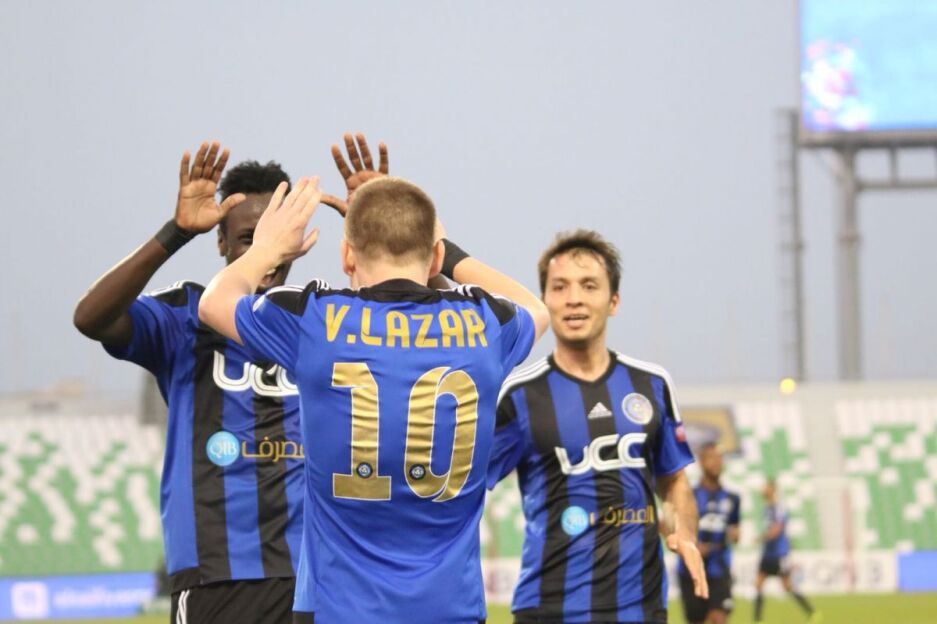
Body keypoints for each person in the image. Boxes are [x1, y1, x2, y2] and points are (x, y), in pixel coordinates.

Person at [197, 173, 550, 623]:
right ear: (435, 255)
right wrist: (448, 249)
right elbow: (536, 309)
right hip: (451, 608)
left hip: (339, 608)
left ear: (346, 255)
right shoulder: (485, 323)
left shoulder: (314, 318)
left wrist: (267, 248)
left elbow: (214, 303)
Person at [73, 142, 309, 623]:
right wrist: (175, 233)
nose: (264, 255)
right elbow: (91, 318)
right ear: (220, 241)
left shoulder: (319, 319)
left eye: (272, 240)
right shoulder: (183, 316)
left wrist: (382, 232)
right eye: (247, 239)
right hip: (215, 576)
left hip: (312, 574)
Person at [487, 229, 707, 623]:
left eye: (589, 286)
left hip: (642, 610)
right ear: (546, 300)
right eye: (560, 287)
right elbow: (465, 486)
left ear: (614, 301)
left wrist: (685, 533)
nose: (574, 298)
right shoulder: (520, 396)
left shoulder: (652, 384)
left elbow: (673, 481)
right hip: (548, 611)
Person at [679, 442, 740, 624]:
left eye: (719, 458)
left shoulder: (732, 498)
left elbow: (735, 529)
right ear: (701, 462)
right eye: (711, 458)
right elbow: (669, 526)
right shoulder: (688, 495)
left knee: (719, 618)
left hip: (719, 568)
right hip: (691, 570)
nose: (716, 462)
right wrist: (691, 545)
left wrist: (734, 534)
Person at [754, 479, 820, 623]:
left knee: (787, 586)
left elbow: (777, 529)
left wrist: (761, 538)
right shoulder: (766, 508)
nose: (762, 490)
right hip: (767, 553)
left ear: (772, 489)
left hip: (779, 554)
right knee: (758, 584)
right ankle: (757, 620)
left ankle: (812, 612)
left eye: (765, 487)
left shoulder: (779, 508)